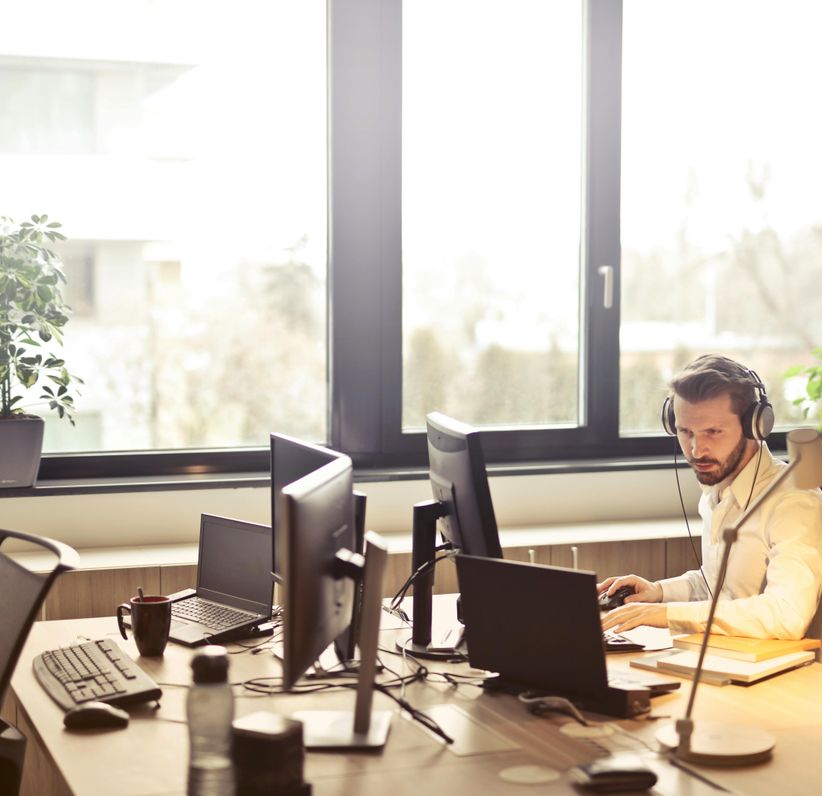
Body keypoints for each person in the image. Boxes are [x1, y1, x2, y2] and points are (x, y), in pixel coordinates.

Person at [599, 354, 822, 640]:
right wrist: (659, 592)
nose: (696, 449)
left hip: (771, 671)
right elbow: (718, 587)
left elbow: (786, 615)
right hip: (721, 656)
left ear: (755, 426)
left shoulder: (795, 502)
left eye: (713, 432)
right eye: (685, 431)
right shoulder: (716, 492)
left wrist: (667, 614)